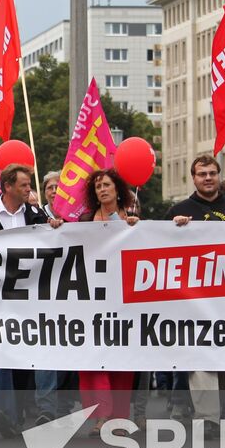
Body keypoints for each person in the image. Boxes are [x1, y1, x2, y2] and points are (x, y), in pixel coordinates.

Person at [0, 163, 64, 436]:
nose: (29, 190)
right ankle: (8, 416)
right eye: (24, 185)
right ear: (8, 186)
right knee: (1, 359)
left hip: (33, 302)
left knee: (43, 353)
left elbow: (57, 245)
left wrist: (56, 228)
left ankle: (46, 411)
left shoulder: (36, 216)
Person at [169, 155, 225, 439]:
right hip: (192, 300)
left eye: (212, 173)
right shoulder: (178, 211)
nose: (207, 178)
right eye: (202, 173)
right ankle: (208, 418)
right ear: (193, 178)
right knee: (200, 356)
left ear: (219, 176)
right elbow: (159, 248)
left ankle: (222, 411)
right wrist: (172, 229)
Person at [76, 169, 139, 432]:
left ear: (117, 189)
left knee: (122, 363)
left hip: (125, 300)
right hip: (93, 300)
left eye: (107, 185)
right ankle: (102, 415)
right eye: (98, 186)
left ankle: (119, 417)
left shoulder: (132, 219)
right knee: (95, 358)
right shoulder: (85, 220)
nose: (102, 189)